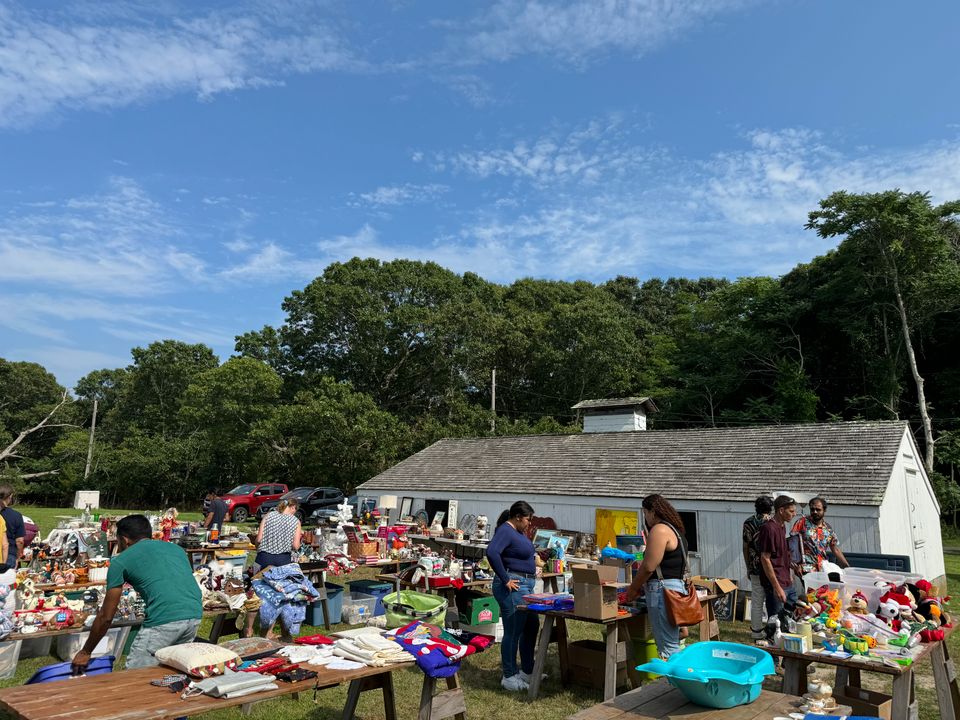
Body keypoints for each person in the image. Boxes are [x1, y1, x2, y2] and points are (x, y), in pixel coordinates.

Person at [72, 514, 202, 672]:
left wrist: (86, 651)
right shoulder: (177, 550)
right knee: (171, 673)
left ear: (124, 539)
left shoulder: (120, 561)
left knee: (136, 676)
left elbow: (106, 616)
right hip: (194, 615)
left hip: (163, 619)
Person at [625, 494, 690, 659]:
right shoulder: (676, 531)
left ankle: (673, 676)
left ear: (652, 512)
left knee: (667, 649)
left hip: (662, 591)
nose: (645, 518)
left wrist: (633, 589)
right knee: (672, 642)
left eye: (645, 513)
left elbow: (648, 567)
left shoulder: (659, 530)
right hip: (676, 589)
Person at [486, 501, 539, 692]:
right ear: (517, 517)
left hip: (526, 585)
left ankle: (527, 670)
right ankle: (509, 676)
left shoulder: (517, 532)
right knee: (513, 630)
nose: (529, 523)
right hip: (513, 586)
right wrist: (506, 578)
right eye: (528, 519)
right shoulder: (506, 530)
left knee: (531, 626)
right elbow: (492, 552)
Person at [759, 495, 798, 622]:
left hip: (787, 581)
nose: (794, 514)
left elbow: (781, 554)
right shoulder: (768, 528)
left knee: (791, 619)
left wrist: (790, 573)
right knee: (776, 624)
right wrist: (777, 588)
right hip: (776, 584)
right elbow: (765, 558)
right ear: (781, 510)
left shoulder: (782, 526)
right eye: (791, 511)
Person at [742, 495, 773, 640]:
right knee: (773, 600)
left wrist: (748, 566)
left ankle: (756, 632)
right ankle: (773, 630)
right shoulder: (773, 522)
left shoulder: (748, 522)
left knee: (757, 600)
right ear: (771, 508)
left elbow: (745, 546)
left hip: (755, 565)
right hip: (772, 566)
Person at [791, 496, 849, 573]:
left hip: (822, 568)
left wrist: (847, 567)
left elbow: (835, 549)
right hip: (804, 568)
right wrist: (794, 565)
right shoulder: (801, 523)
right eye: (812, 509)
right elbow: (792, 544)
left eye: (818, 509)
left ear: (824, 510)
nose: (815, 512)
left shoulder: (828, 529)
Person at [254, 498, 302, 573]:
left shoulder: (268, 515)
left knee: (257, 580)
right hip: (283, 560)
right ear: (293, 507)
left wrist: (257, 548)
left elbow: (259, 539)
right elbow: (296, 546)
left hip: (263, 557)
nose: (294, 513)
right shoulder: (296, 521)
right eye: (295, 510)